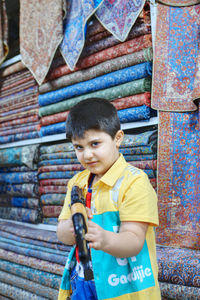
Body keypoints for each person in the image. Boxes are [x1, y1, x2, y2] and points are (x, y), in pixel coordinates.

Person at [57, 98, 161, 300]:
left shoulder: (135, 182)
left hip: (125, 288)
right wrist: (71, 227)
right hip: (83, 281)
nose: (87, 155)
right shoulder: (76, 183)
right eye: (79, 147)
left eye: (95, 144)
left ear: (118, 138)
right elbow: (61, 233)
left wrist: (104, 239)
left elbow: (133, 241)